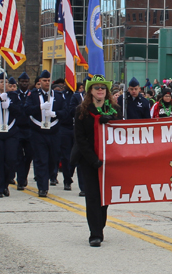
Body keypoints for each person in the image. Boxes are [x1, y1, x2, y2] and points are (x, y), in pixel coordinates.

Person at [72, 75, 120, 247]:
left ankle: (100, 226)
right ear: (90, 91)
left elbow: (122, 132)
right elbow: (80, 139)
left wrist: (111, 121)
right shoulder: (82, 110)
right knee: (92, 196)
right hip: (89, 160)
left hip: (109, 161)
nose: (100, 90)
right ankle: (95, 233)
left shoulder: (114, 109)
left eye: (103, 87)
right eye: (96, 87)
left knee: (104, 198)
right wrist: (93, 160)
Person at [24, 70, 67, 198]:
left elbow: (66, 112)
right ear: (40, 82)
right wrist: (40, 107)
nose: (47, 83)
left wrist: (55, 114)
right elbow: (26, 110)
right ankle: (42, 188)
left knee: (53, 159)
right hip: (38, 132)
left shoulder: (58, 96)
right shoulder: (32, 95)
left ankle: (47, 177)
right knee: (41, 159)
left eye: (48, 80)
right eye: (44, 80)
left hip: (54, 132)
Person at [15, 72, 34, 190]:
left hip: (29, 129)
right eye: (22, 82)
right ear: (18, 82)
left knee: (29, 155)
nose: (24, 84)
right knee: (18, 156)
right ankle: (20, 179)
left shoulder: (32, 95)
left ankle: (24, 176)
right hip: (17, 129)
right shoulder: (14, 95)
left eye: (26, 82)